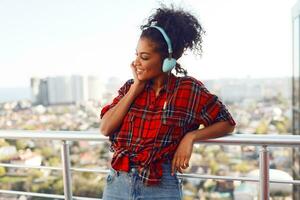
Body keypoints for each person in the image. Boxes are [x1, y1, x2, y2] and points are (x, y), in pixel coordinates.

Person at [99, 4, 236, 200]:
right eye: (136, 54)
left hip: (161, 186)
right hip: (118, 183)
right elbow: (105, 128)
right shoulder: (130, 87)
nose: (136, 62)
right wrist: (135, 89)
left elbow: (227, 123)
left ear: (168, 59)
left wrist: (191, 137)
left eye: (144, 57)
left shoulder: (189, 89)